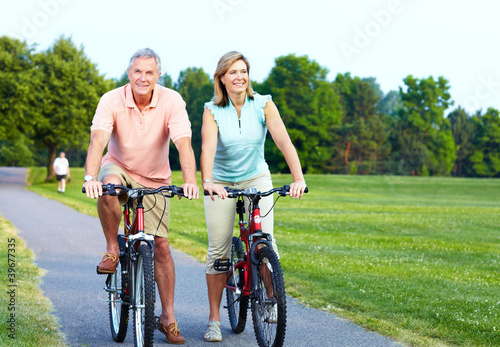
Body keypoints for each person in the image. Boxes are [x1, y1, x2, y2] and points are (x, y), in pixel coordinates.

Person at [82, 48, 199, 345]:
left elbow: (183, 143)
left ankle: (168, 318)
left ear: (158, 75)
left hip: (156, 177)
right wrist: (90, 177)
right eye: (137, 72)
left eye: (149, 72)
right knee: (109, 187)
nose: (143, 78)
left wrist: (189, 181)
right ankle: (112, 248)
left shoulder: (172, 100)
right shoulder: (111, 99)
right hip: (118, 166)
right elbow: (98, 139)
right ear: (129, 73)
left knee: (161, 248)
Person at [200, 51, 307, 342]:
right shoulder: (212, 110)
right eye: (232, 72)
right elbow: (207, 148)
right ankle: (213, 320)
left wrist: (298, 178)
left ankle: (271, 301)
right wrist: (207, 181)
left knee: (266, 241)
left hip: (256, 176)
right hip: (221, 181)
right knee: (219, 251)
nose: (239, 77)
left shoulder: (263, 104)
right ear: (222, 77)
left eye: (243, 71)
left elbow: (283, 140)